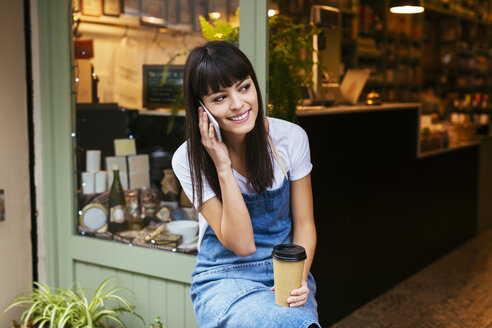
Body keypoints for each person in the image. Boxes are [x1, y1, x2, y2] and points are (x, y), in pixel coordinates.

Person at [172, 40, 319, 328]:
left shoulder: (291, 138)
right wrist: (222, 166)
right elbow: (242, 244)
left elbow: (305, 225)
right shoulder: (187, 159)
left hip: (285, 271)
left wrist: (299, 277)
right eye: (219, 97)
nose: (238, 104)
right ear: (201, 108)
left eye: (243, 87)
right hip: (224, 277)